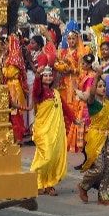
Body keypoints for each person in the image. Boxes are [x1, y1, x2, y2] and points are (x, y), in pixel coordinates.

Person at [76, 76, 109, 206]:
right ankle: (83, 186)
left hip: (108, 138)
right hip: (96, 138)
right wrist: (96, 78)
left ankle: (102, 197)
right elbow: (91, 93)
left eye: (104, 86)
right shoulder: (92, 102)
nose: (103, 88)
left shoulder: (107, 103)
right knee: (99, 168)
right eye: (100, 86)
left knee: (108, 168)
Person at [31, 66, 67, 196]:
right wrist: (37, 75)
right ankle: (36, 180)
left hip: (55, 130)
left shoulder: (55, 93)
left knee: (54, 156)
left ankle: (49, 184)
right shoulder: (40, 92)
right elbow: (35, 89)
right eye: (45, 76)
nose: (48, 78)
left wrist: (74, 120)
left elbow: (65, 108)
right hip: (43, 129)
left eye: (49, 76)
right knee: (47, 155)